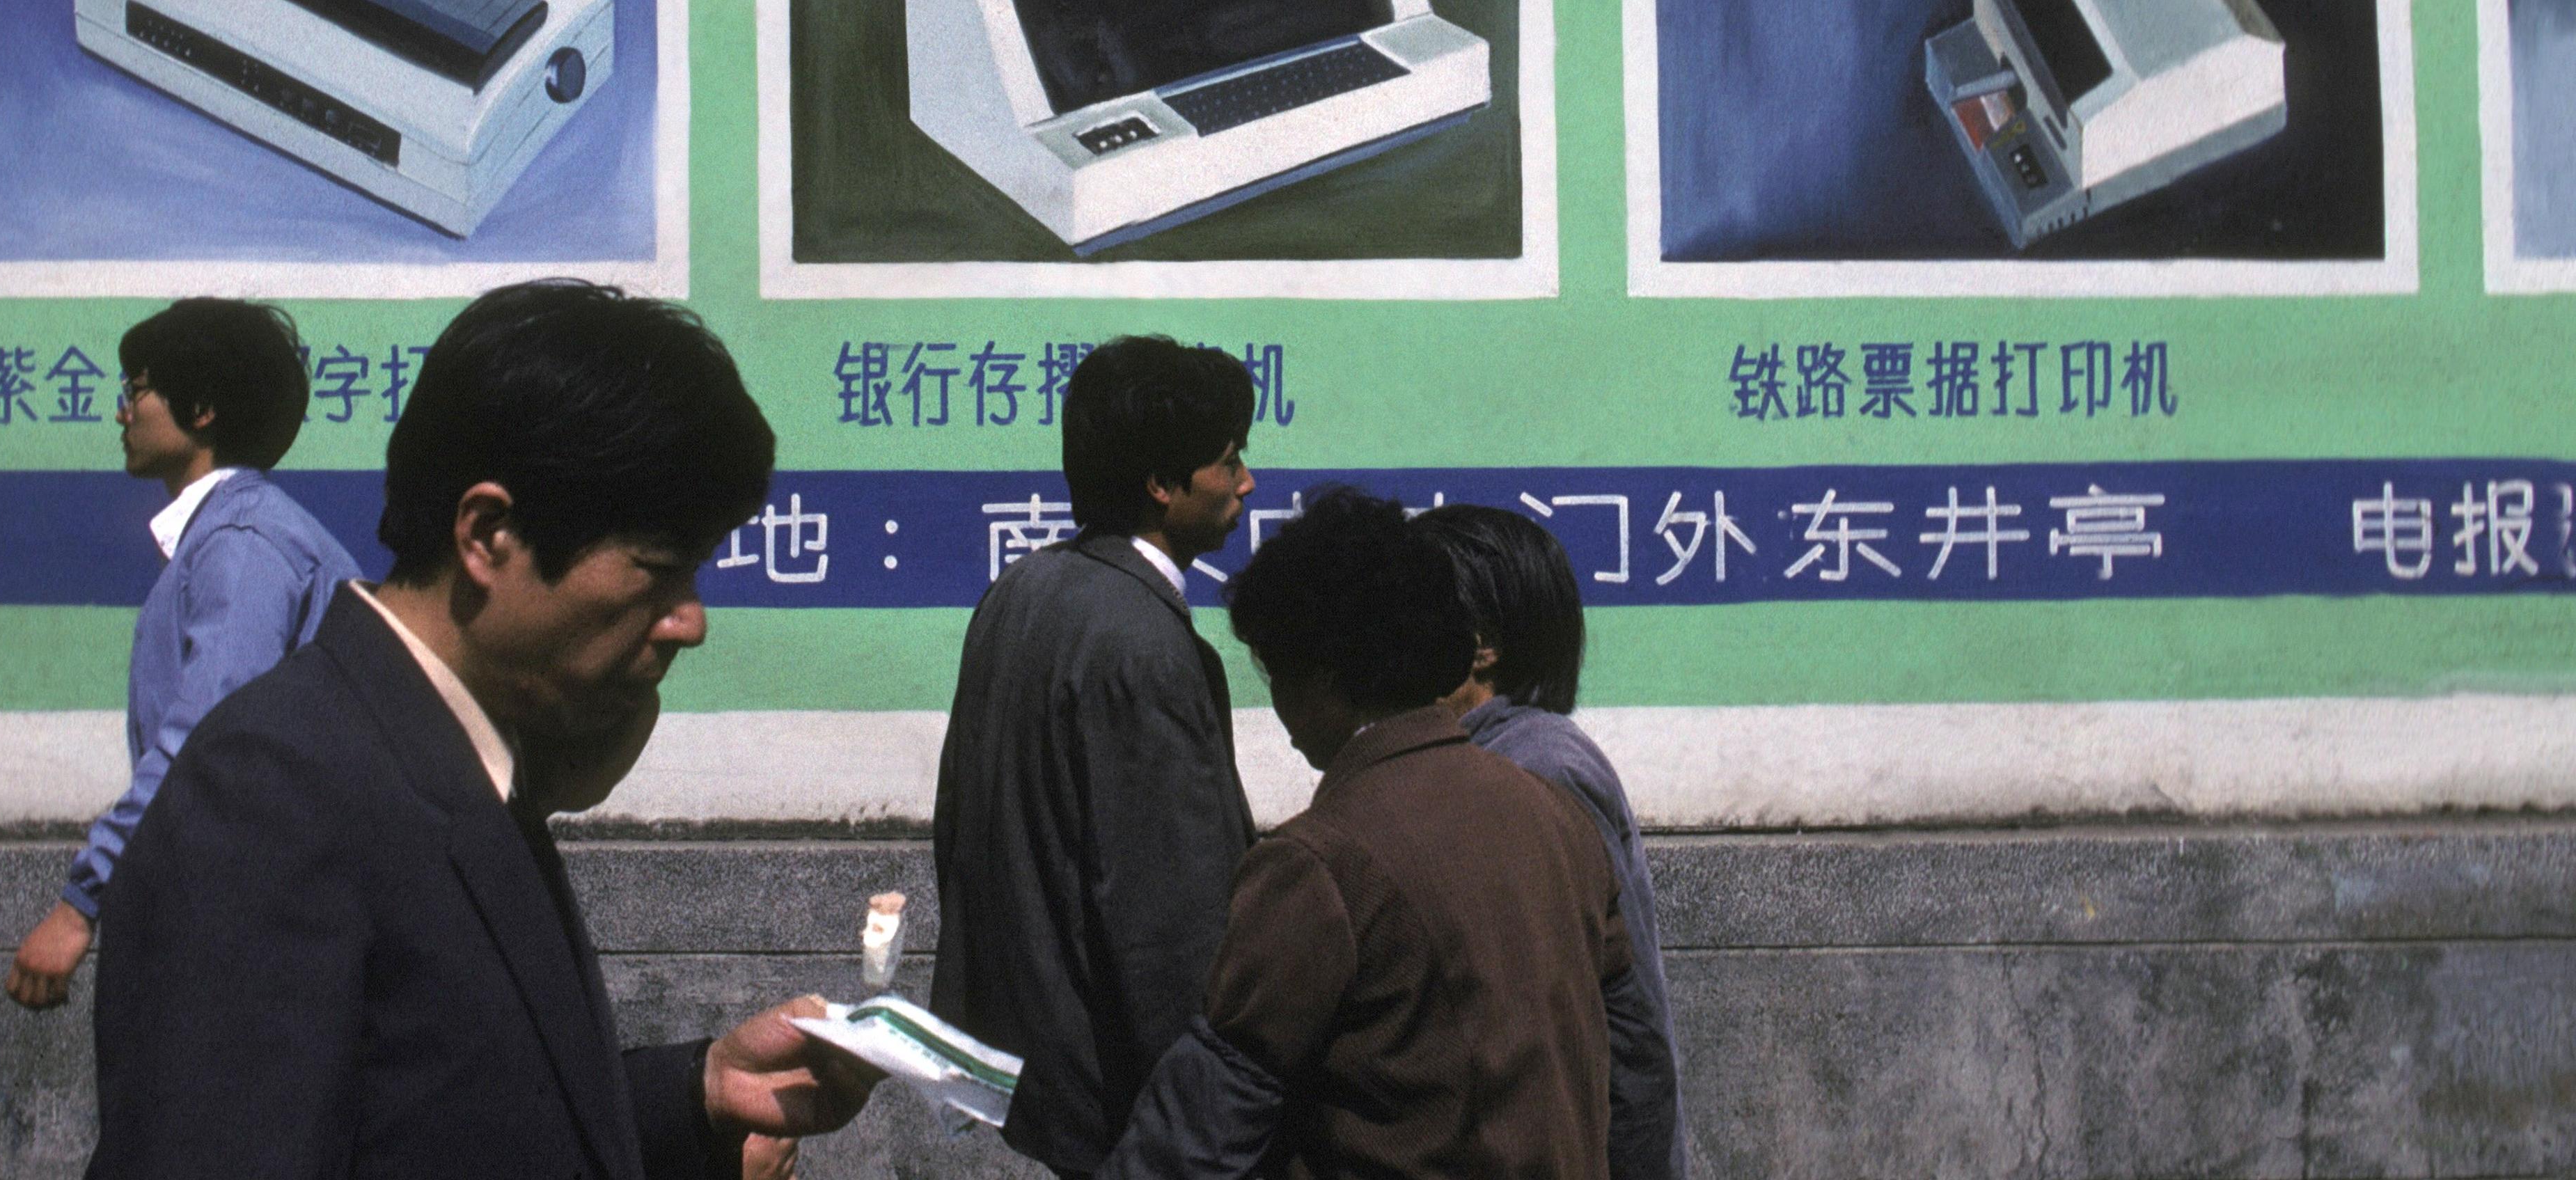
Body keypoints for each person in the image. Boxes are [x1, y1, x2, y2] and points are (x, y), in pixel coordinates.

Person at [86, 281, 878, 1180]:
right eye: (657, 572)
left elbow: (449, 1113)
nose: (688, 622)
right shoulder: (273, 797)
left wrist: (695, 1097)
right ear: (488, 535)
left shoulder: (455, 758)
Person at [1104, 487, 1637, 1180]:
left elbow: (1206, 1119)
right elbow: (1632, 1064)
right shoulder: (1556, 817)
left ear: (1320, 681)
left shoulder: (1316, 864)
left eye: (1275, 673)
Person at [932, 335, 1261, 1177]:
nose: (1247, 483)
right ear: (1161, 484)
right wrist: (1206, 1129)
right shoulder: (1142, 643)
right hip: (1120, 1109)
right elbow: (1172, 925)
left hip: (1032, 1084)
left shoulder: (1020, 593)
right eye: (1229, 462)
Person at [6, 298, 363, 1012]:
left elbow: (205, 735)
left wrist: (80, 904)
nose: (122, 412)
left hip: (256, 929)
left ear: (201, 408)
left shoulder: (244, 543)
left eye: (136, 389)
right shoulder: (233, 537)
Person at [1415, 503, 1688, 1179]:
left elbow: (1615, 1032)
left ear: (1481, 646)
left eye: (1409, 615)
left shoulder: (1533, 767)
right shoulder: (1487, 758)